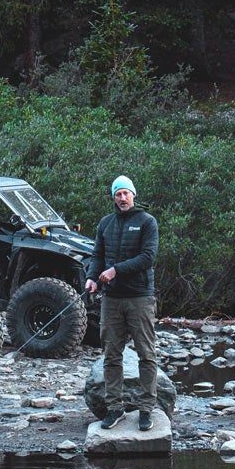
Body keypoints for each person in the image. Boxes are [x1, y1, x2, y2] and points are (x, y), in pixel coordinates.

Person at [86, 174, 159, 429]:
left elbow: (148, 257)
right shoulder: (106, 223)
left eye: (126, 193)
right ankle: (114, 408)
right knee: (111, 355)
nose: (122, 198)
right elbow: (97, 255)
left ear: (134, 195)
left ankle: (147, 409)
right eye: (118, 194)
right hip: (112, 299)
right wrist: (92, 278)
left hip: (140, 297)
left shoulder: (147, 222)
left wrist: (115, 270)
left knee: (146, 355)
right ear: (114, 198)